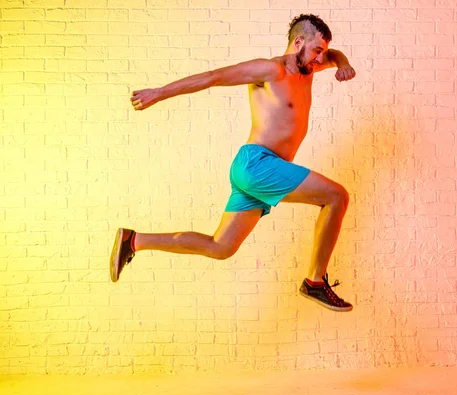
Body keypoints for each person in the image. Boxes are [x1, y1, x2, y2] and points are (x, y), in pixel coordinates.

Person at [111, 14, 356, 312]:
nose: (321, 58)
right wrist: (159, 93)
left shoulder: (310, 66)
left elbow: (334, 55)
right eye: (317, 50)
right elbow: (213, 77)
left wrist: (342, 64)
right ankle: (315, 282)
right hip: (258, 164)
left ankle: (134, 240)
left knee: (220, 247)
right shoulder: (269, 70)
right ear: (298, 42)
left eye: (323, 52)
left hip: (259, 172)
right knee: (336, 196)